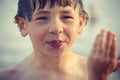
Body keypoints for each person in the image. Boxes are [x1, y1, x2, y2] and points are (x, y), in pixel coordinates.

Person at [0, 0, 119, 80]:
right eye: (42, 18)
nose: (56, 29)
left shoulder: (98, 68)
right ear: (22, 25)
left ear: (81, 23)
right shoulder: (7, 77)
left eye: (66, 17)